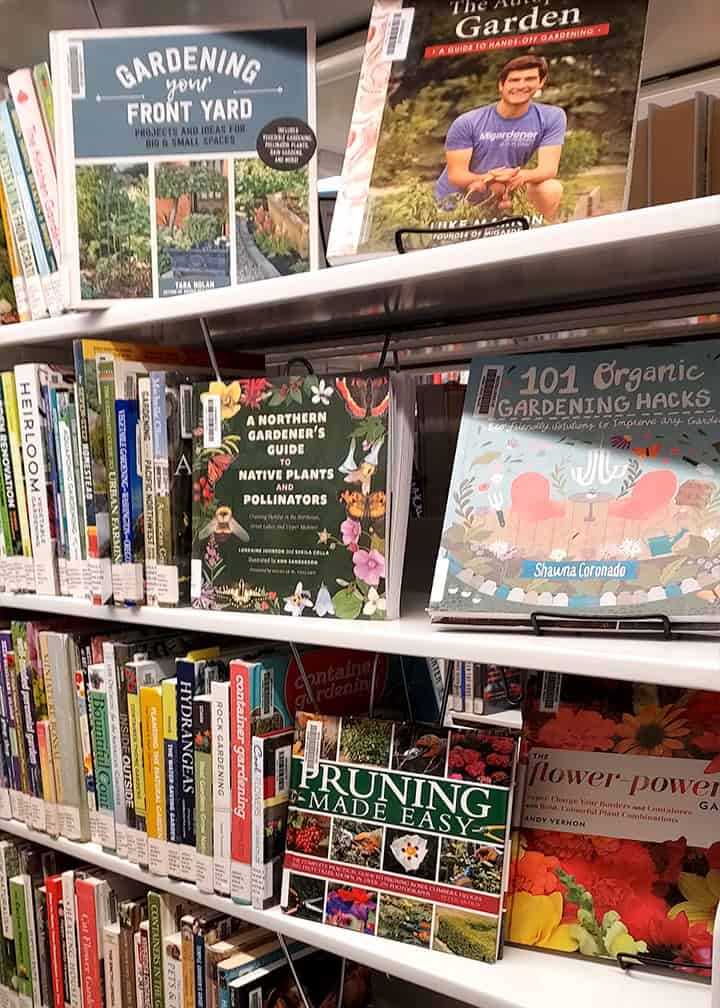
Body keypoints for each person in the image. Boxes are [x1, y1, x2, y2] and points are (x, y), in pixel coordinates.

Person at [435, 54, 566, 220]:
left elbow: (548, 169)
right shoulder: (468, 122)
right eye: (514, 80)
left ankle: (535, 238)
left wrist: (519, 177)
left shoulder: (551, 117)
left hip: (502, 193)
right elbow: (456, 175)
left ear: (541, 82)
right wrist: (490, 179)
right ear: (501, 85)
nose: (521, 85)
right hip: (458, 200)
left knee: (551, 188)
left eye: (529, 79)